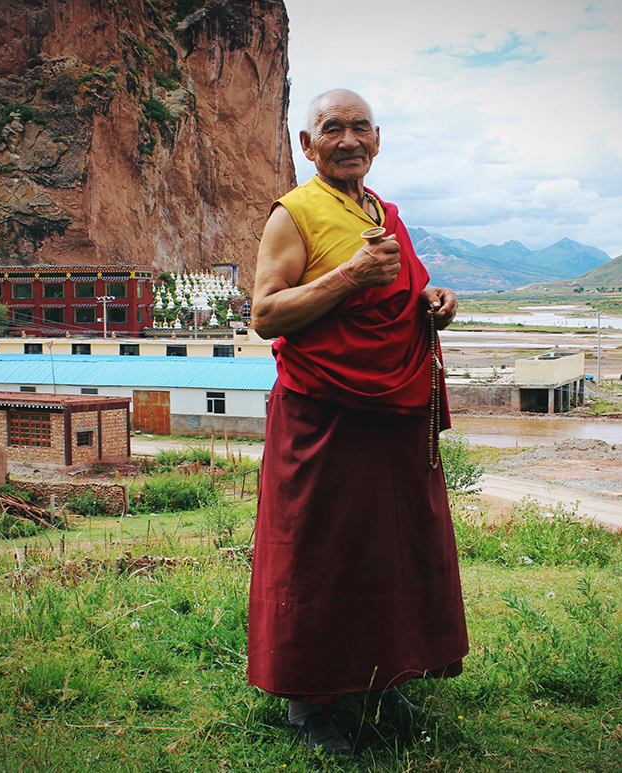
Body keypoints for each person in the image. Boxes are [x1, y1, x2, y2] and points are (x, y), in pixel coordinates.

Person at [247, 89, 469, 756]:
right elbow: (265, 314)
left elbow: (397, 295)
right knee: (318, 551)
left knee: (385, 545)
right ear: (306, 144)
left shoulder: (383, 212)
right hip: (323, 415)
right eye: (332, 128)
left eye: (360, 127)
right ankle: (308, 699)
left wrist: (434, 302)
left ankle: (378, 674)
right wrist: (347, 275)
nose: (349, 139)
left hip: (389, 415)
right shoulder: (295, 214)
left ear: (378, 138)